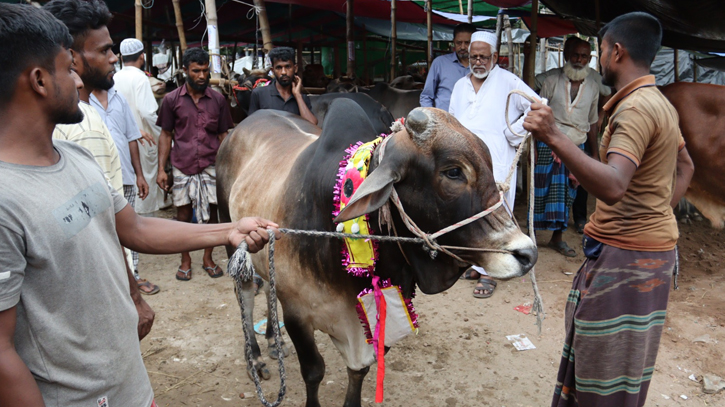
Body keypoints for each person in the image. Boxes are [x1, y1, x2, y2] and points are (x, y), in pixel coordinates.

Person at [0, 4, 279, 406]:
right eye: (68, 68)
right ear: (40, 80)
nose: (79, 79)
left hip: (129, 386)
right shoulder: (6, 201)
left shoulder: (76, 159)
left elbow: (135, 229)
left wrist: (228, 230)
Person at [523, 12, 694, 407]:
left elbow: (615, 185)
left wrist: (553, 135)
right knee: (618, 369)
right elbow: (686, 166)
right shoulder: (659, 103)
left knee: (603, 371)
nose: (597, 58)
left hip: (627, 260)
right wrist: (655, 214)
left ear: (616, 51)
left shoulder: (635, 108)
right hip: (645, 252)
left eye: (599, 50)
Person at [47, 0, 159, 296]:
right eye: (104, 50)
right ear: (72, 57)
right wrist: (130, 292)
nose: (113, 59)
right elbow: (99, 229)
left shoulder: (88, 113)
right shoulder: (79, 125)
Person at [448, 31, 538, 299]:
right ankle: (476, 264)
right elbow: (453, 122)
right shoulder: (460, 86)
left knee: (496, 216)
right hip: (466, 166)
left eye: (483, 56)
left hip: (497, 163)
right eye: (473, 56)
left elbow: (539, 106)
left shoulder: (508, 81)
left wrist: (514, 131)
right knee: (471, 214)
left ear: (495, 57)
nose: (477, 61)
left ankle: (491, 272)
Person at [157, 47, 236, 281]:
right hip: (182, 164)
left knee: (212, 213)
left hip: (212, 164)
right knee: (182, 215)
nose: (202, 76)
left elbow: (224, 135)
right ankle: (185, 259)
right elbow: (166, 135)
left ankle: (208, 258)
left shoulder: (218, 100)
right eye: (196, 71)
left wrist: (229, 168)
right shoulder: (172, 100)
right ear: (185, 71)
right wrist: (162, 169)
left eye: (205, 71)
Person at [533, 37, 606, 257]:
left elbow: (592, 122)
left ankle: (557, 239)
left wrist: (593, 153)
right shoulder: (551, 81)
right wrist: (536, 145)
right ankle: (531, 236)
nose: (579, 60)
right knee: (540, 189)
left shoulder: (593, 86)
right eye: (575, 55)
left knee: (566, 194)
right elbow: (537, 113)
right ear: (566, 55)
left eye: (584, 56)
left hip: (576, 145)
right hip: (548, 143)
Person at [114, 38, 170, 215]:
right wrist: (161, 134)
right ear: (142, 56)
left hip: (120, 138)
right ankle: (144, 226)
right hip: (143, 139)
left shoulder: (114, 77)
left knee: (126, 181)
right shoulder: (140, 78)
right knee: (145, 181)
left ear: (121, 58)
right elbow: (147, 112)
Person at [248, 46, 318, 125]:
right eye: (279, 68)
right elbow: (251, 127)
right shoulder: (259, 94)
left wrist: (297, 95)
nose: (284, 72)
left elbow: (312, 125)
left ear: (295, 68)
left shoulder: (302, 98)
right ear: (272, 70)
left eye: (288, 67)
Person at [420, 23, 476, 112]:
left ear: (474, 43)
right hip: (444, 121)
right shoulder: (440, 63)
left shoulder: (480, 67)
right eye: (459, 43)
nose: (462, 47)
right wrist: (431, 117)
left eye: (467, 43)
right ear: (453, 42)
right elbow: (426, 96)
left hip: (472, 122)